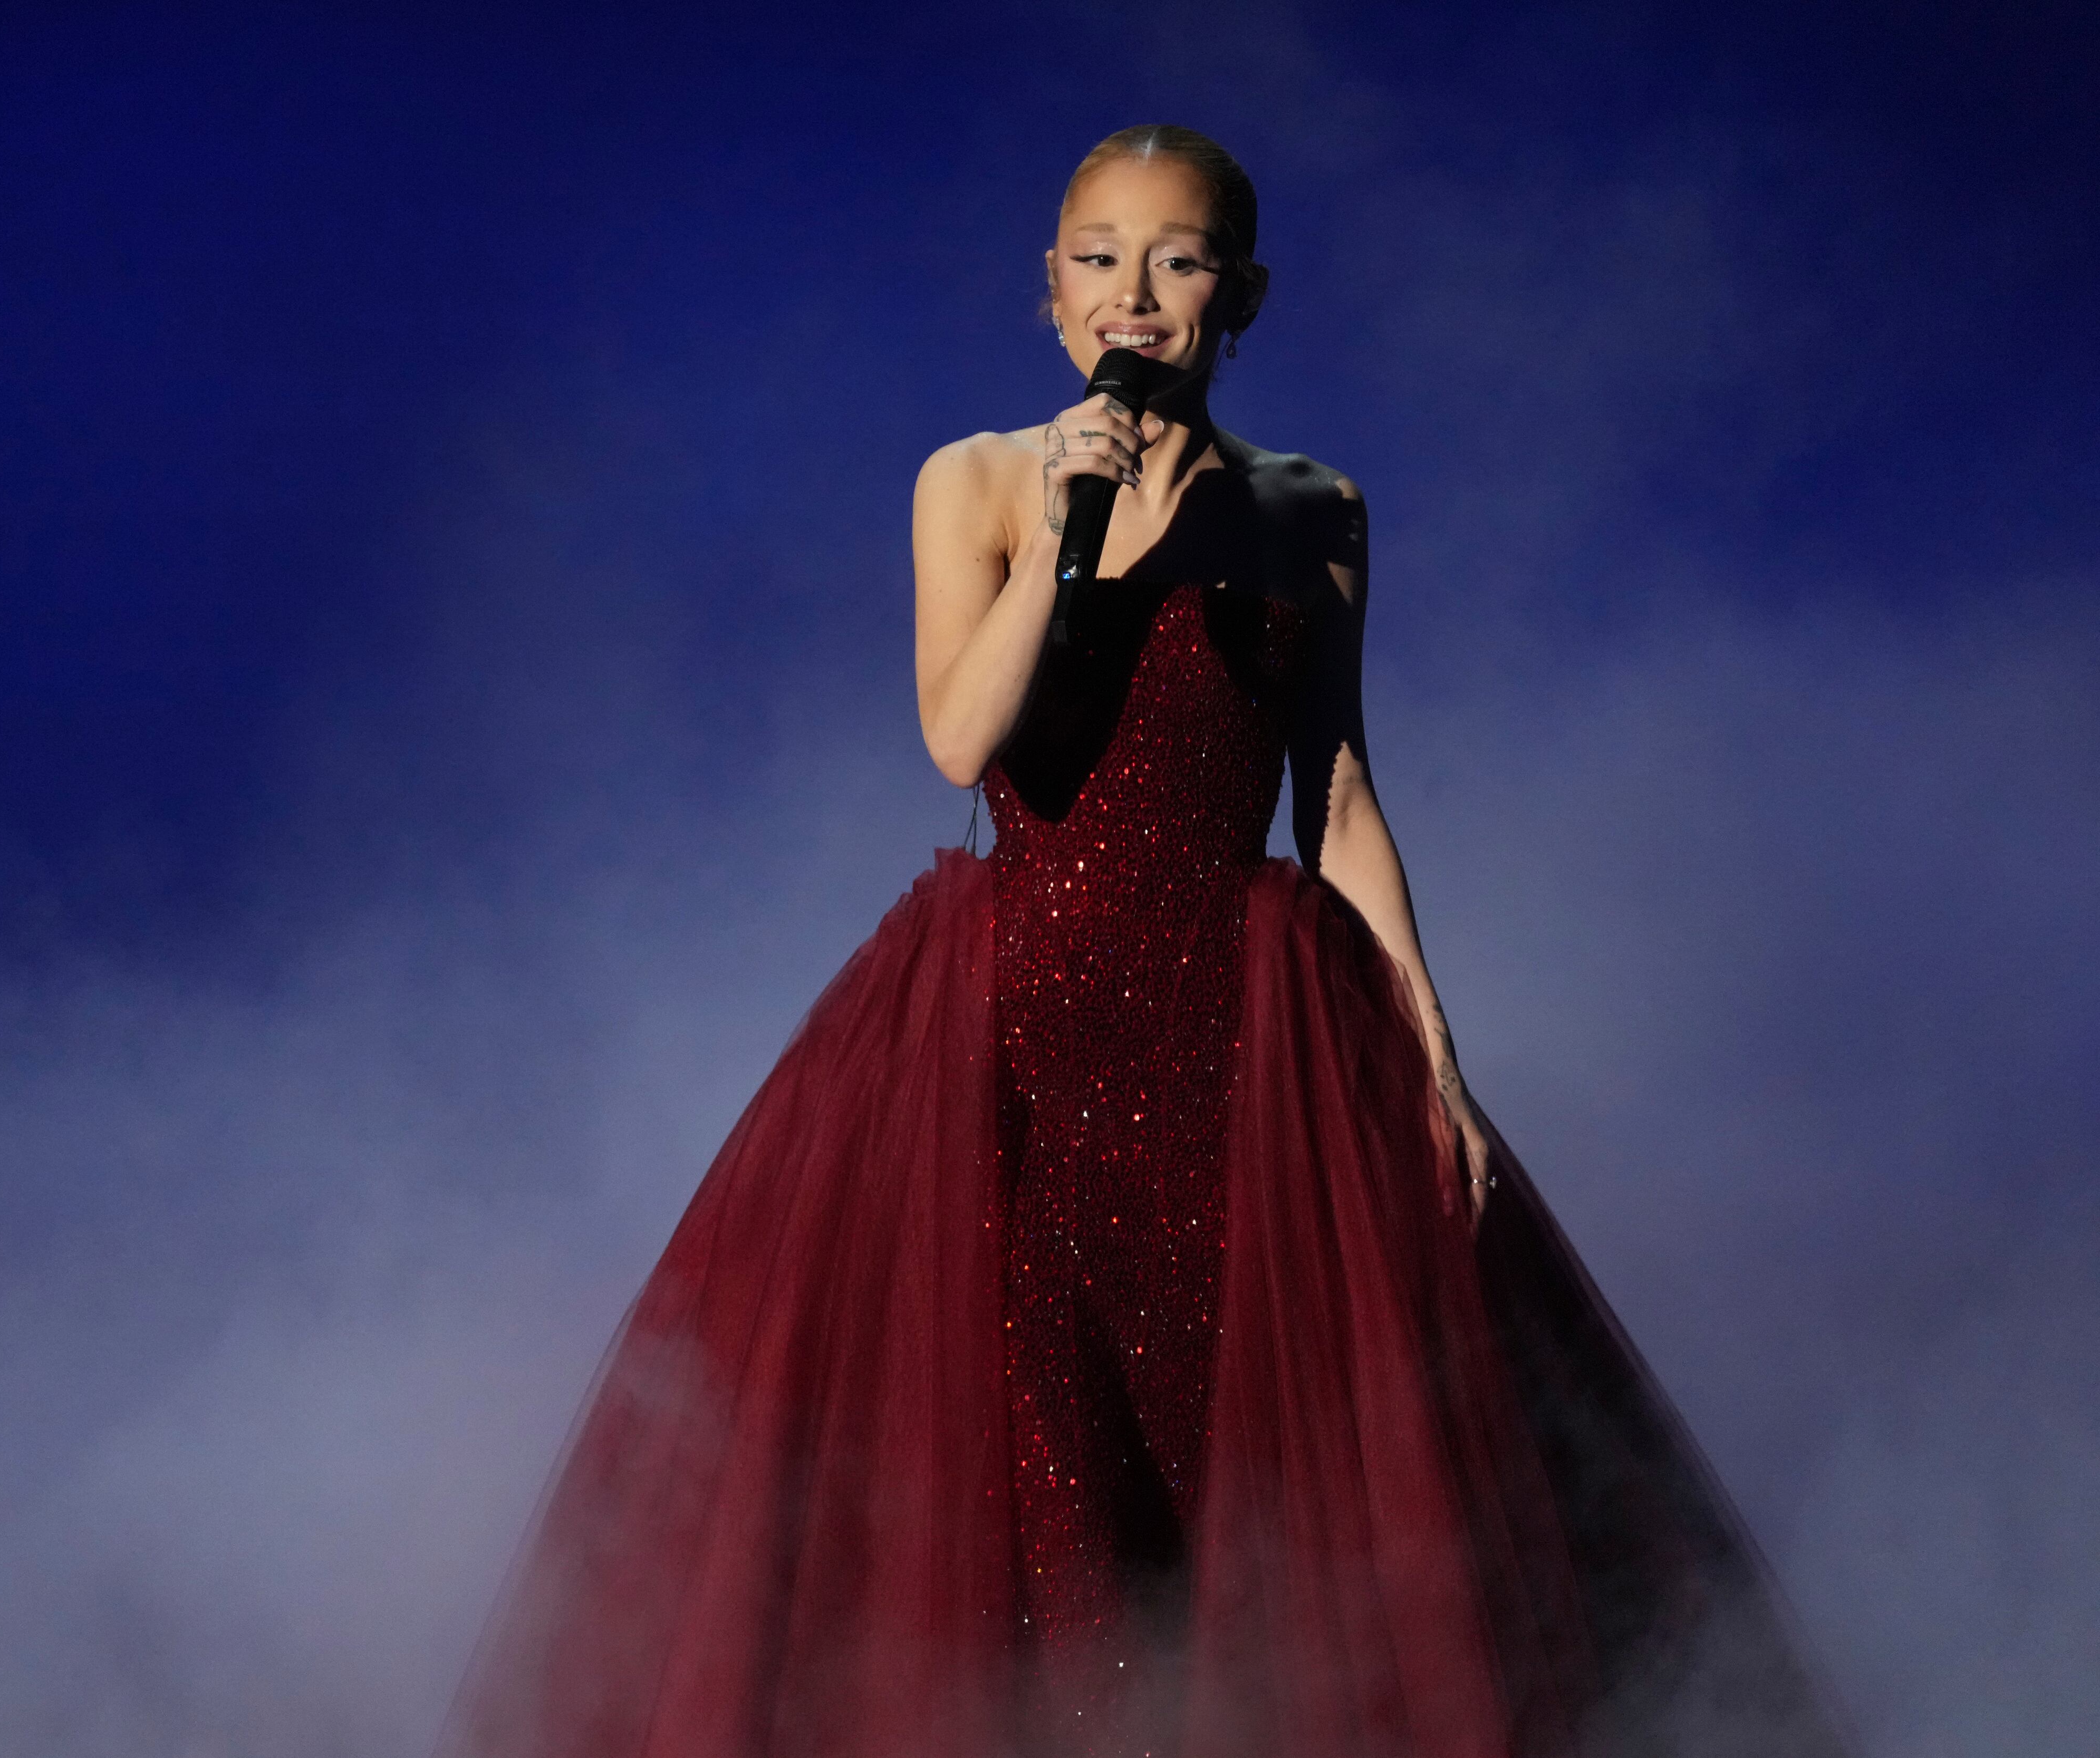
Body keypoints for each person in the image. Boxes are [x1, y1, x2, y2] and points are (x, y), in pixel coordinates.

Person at [440, 125, 1857, 1758]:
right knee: (1036, 1518)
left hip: (1248, 1071)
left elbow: (1334, 795)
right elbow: (962, 742)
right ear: (1048, 292)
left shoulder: (1310, 510)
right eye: (1098, 257)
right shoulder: (971, 480)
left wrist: (1434, 1050)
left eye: (1176, 259)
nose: (1135, 292)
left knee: (1269, 1519)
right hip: (1009, 1067)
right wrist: (1071, 526)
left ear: (1238, 294)